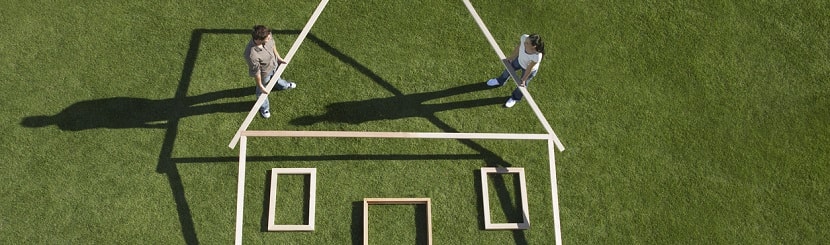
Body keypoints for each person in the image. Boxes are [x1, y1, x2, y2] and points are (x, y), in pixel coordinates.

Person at [244, 25, 296, 118]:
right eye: (267, 38)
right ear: (259, 39)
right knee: (261, 91)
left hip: (274, 64)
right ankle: (264, 108)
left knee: (277, 78)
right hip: (264, 73)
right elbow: (256, 72)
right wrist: (260, 86)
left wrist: (278, 58)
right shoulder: (251, 54)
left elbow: (272, 44)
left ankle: (283, 86)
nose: (270, 37)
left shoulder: (267, 34)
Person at [485, 34, 544, 108]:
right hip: (519, 61)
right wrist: (511, 58)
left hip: (529, 70)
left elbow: (529, 68)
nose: (525, 43)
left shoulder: (537, 55)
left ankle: (515, 98)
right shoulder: (524, 37)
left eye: (527, 43)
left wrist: (524, 79)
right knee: (508, 70)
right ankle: (500, 81)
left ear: (533, 46)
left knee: (522, 85)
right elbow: (518, 48)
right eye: (526, 41)